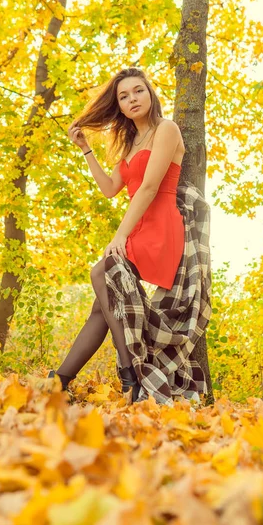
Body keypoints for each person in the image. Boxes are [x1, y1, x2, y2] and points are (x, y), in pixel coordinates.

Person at [48, 67, 186, 402]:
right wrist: (86, 150)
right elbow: (111, 189)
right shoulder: (130, 143)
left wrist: (119, 237)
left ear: (150, 94)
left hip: (160, 227)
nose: (132, 99)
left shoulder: (166, 130)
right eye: (124, 96)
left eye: (138, 91)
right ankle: (60, 381)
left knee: (102, 270)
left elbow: (151, 187)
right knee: (101, 307)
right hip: (137, 225)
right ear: (120, 107)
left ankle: (131, 374)